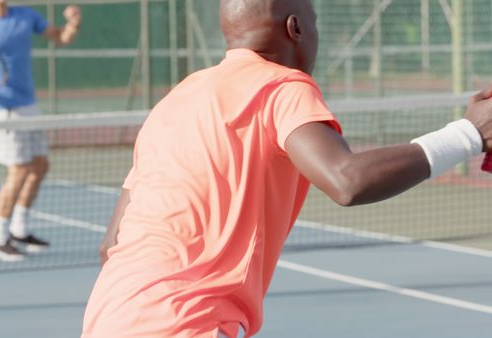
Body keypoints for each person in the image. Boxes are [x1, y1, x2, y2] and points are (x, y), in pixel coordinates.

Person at [81, 0, 492, 337]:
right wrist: (469, 134)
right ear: (296, 28)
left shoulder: (175, 100)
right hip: (190, 324)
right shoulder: (280, 86)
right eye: (314, 24)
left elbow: (110, 244)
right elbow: (347, 180)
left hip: (109, 316)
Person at [0, 0, 82, 262]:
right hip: (4, 111)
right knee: (19, 168)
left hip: (28, 105)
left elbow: (61, 38)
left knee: (40, 165)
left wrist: (73, 23)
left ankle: (19, 230)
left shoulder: (25, 17)